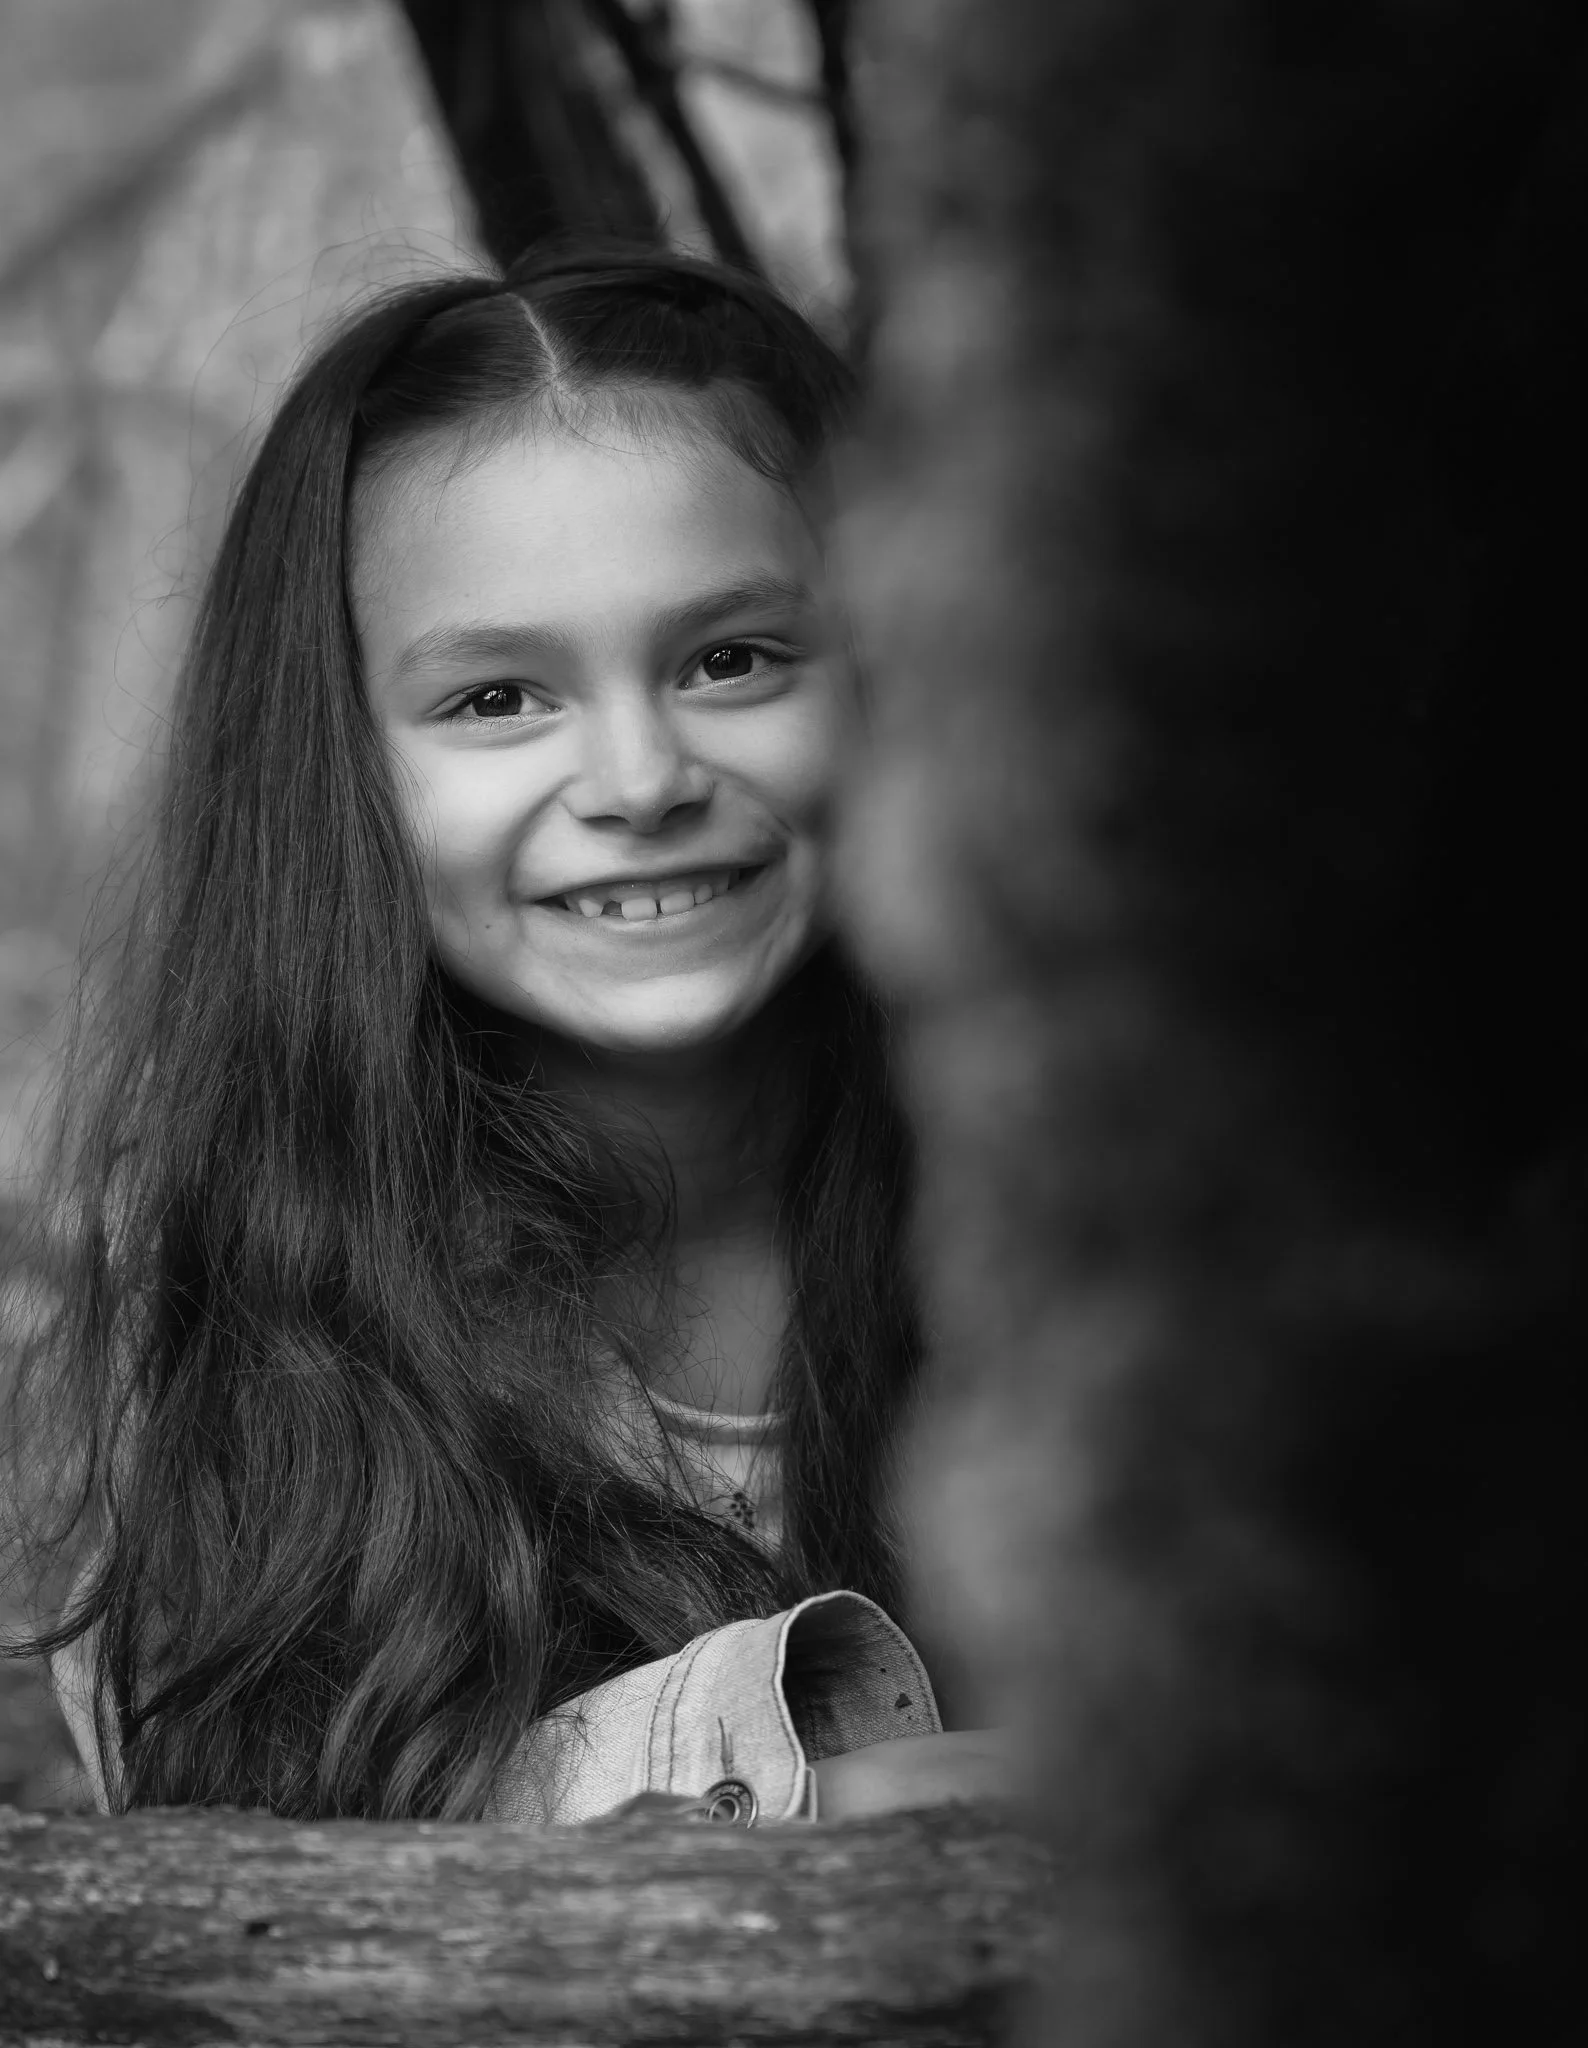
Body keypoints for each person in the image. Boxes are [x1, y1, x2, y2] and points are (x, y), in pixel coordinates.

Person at [8, 244, 1007, 1825]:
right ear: (345, 772)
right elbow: (258, 1847)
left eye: (728, 658)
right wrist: (828, 1796)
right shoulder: (225, 1276)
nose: (636, 778)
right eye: (496, 699)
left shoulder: (1098, 1179)